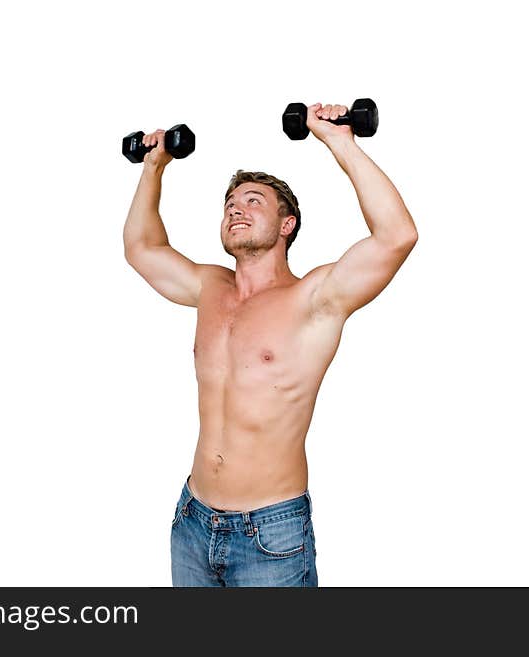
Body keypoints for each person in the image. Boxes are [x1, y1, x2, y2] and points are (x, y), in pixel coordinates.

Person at [123, 102, 418, 586]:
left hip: (270, 535)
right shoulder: (208, 288)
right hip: (193, 523)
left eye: (253, 201)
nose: (236, 207)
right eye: (230, 203)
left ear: (288, 225)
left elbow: (397, 235)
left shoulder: (315, 299)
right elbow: (141, 248)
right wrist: (153, 167)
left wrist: (338, 140)